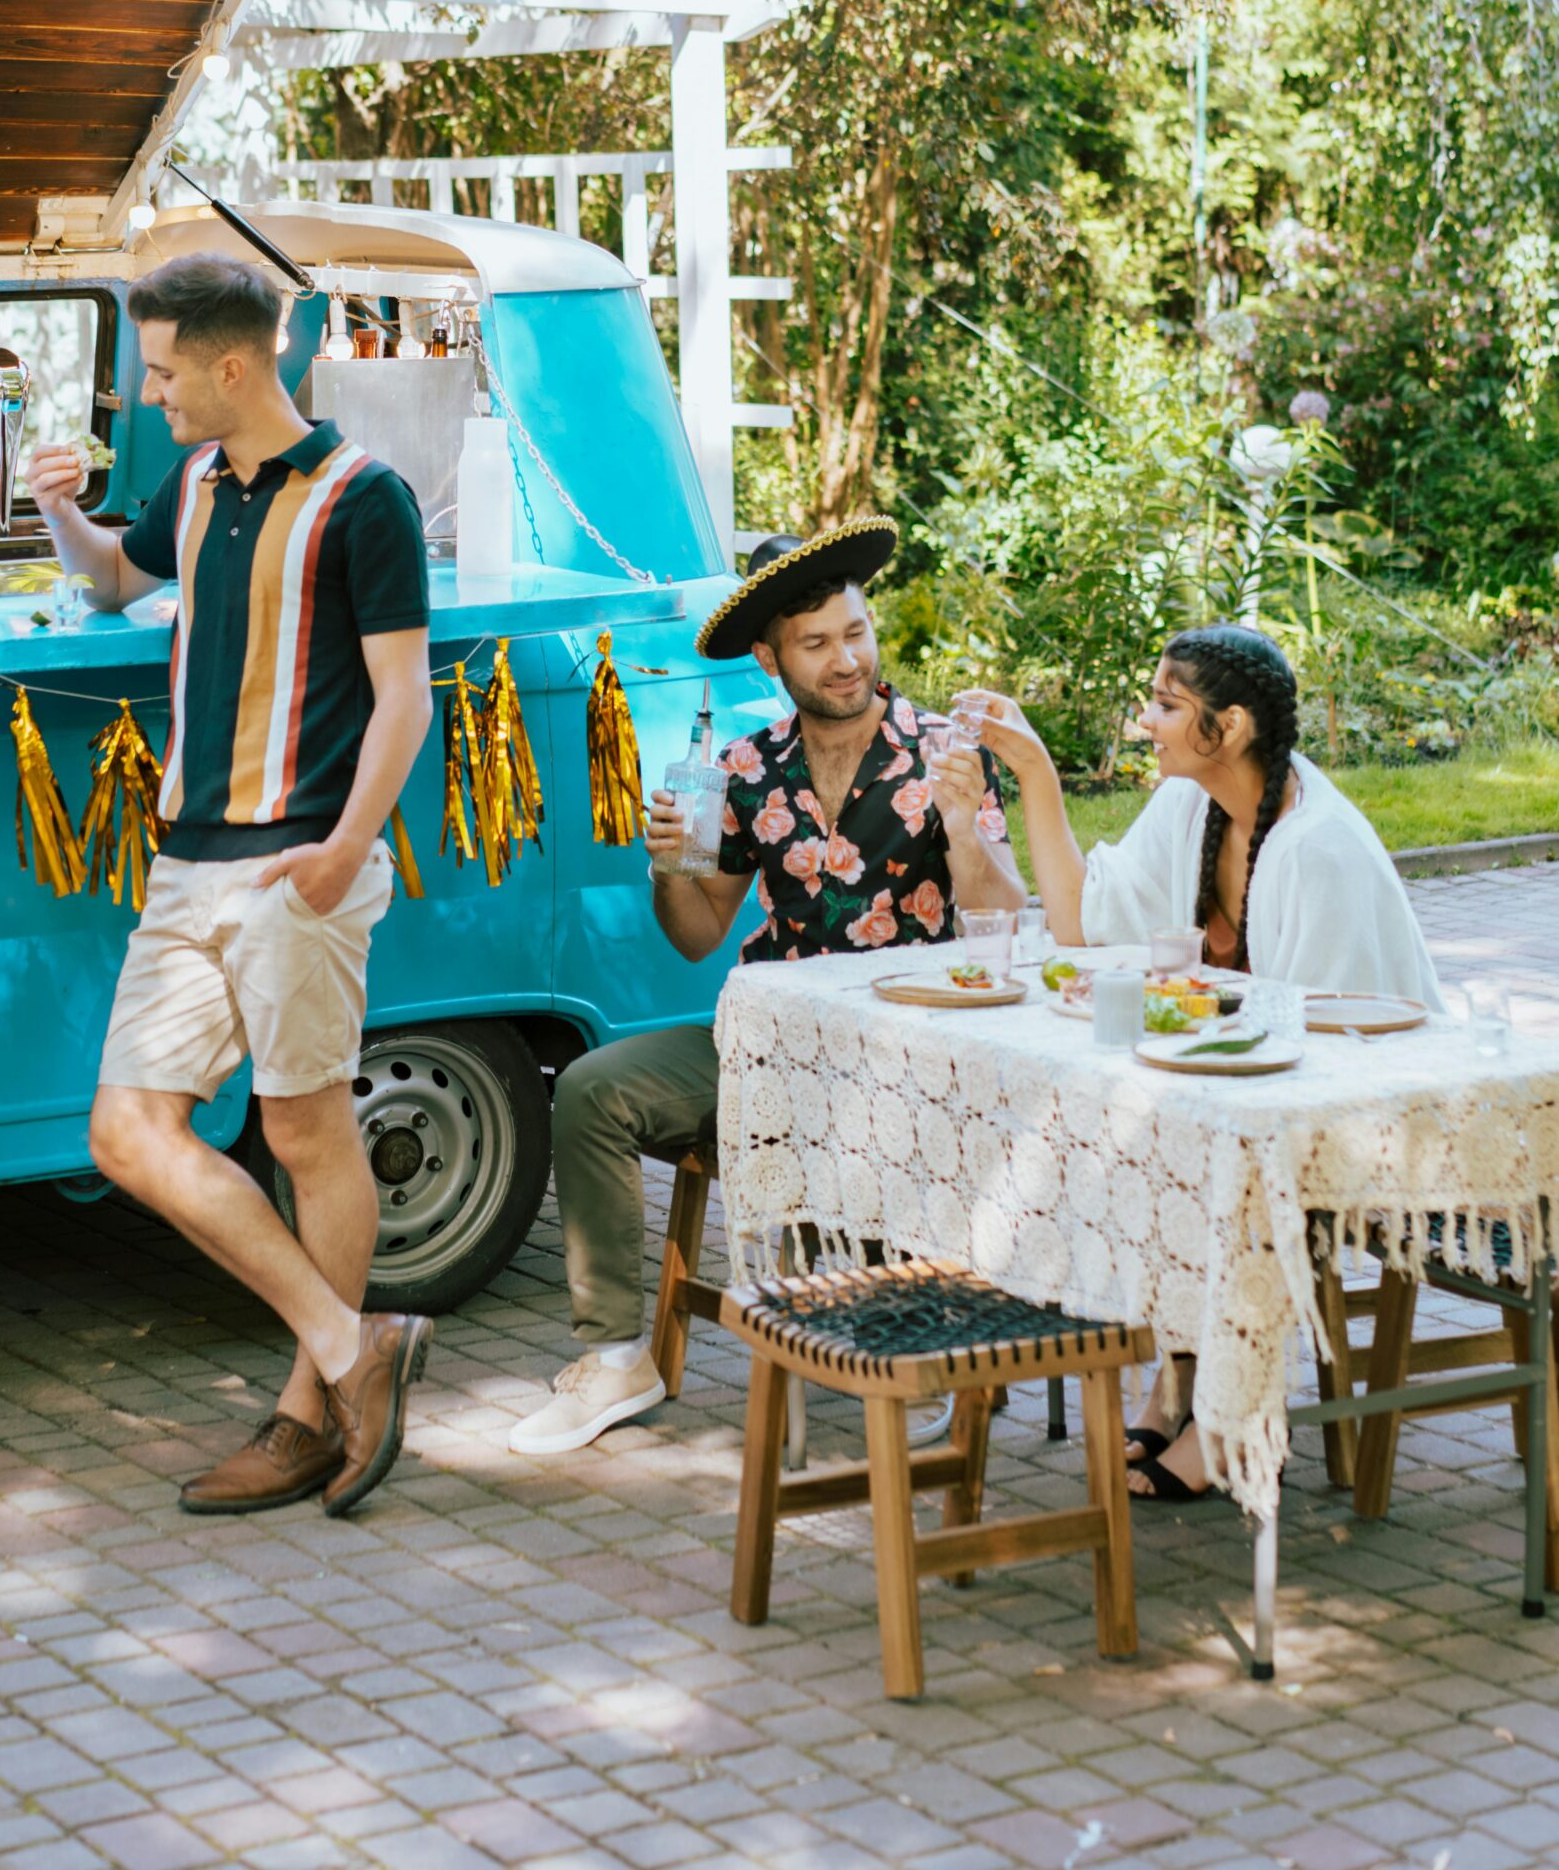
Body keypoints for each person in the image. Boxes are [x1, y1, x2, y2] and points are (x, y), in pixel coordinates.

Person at [25, 251, 435, 1519]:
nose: (149, 395)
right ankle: (351, 1340)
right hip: (186, 860)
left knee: (307, 1132)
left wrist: (349, 845)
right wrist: (56, 509)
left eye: (159, 372)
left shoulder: (368, 499)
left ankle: (309, 1416)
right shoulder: (196, 479)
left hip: (298, 861)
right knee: (126, 1132)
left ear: (233, 363)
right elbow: (112, 576)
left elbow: (406, 696)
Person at [508, 518, 1025, 1457]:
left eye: (856, 634)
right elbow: (698, 935)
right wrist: (667, 867)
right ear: (769, 658)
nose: (845, 661)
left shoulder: (941, 753)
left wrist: (965, 831)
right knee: (590, 1089)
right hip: (768, 1039)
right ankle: (618, 1358)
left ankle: (913, 1339)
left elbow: (1002, 924)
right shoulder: (746, 771)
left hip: (906, 1050)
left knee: (878, 1129)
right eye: (817, 644)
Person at [971, 618, 1443, 1501]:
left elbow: (1326, 1055)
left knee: (1189, 1153)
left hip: (1359, 1117)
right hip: (1249, 1097)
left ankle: (1237, 1418)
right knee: (1140, 1139)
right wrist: (1034, 771)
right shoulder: (1190, 806)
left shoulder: (1314, 849)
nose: (1144, 722)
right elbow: (1080, 927)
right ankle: (1178, 1382)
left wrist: (1184, 1014)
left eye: (1165, 705)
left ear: (1226, 730)